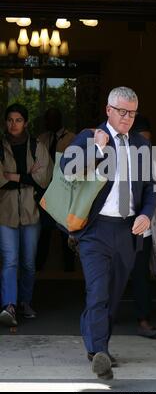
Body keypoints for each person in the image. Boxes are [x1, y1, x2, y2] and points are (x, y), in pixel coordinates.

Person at [60, 86, 156, 380]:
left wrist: (146, 214)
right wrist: (97, 148)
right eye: (122, 111)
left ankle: (95, 341)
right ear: (108, 111)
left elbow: (151, 189)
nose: (127, 117)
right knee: (98, 290)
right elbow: (67, 169)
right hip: (96, 230)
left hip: (127, 230)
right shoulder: (90, 137)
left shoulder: (141, 145)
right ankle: (100, 350)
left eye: (132, 112)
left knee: (113, 295)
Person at [0, 103, 53, 327]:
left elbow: (45, 176)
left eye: (18, 120)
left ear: (26, 123)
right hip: (6, 212)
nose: (14, 124)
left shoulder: (36, 146)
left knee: (29, 263)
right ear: (5, 122)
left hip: (32, 212)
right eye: (10, 120)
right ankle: (9, 305)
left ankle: (25, 301)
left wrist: (12, 176)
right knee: (10, 260)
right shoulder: (0, 146)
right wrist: (25, 176)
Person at [131, 114, 156, 338]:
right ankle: (106, 317)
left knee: (141, 274)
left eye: (149, 141)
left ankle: (143, 320)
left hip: (143, 228)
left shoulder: (152, 162)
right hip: (115, 226)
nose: (146, 145)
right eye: (143, 140)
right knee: (112, 273)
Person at [36, 107, 75, 271]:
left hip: (64, 190)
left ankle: (69, 265)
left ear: (59, 120)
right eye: (47, 119)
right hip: (46, 189)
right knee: (44, 229)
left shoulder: (72, 138)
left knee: (65, 230)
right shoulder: (42, 139)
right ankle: (40, 264)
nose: (48, 122)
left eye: (51, 119)